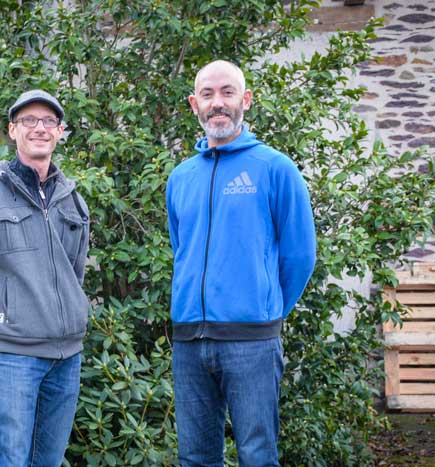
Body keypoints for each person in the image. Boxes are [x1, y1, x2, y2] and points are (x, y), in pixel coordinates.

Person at [166, 60, 317, 467]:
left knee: (257, 455)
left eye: (228, 92)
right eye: (208, 94)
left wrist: (265, 311)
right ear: (193, 104)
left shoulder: (275, 169)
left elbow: (300, 255)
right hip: (188, 341)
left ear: (245, 100)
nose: (218, 103)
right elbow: (183, 248)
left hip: (252, 341)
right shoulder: (180, 178)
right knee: (195, 458)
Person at [0, 89, 91, 466]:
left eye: (48, 122)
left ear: (59, 132)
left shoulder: (71, 199)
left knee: (49, 461)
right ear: (12, 130)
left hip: (67, 357)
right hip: (12, 357)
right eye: (28, 121)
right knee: (9, 460)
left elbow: (74, 275)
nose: (39, 128)